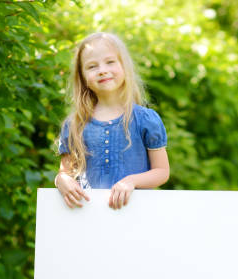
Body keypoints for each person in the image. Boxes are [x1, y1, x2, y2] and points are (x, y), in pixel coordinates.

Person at [55, 32, 170, 209]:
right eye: (92, 66)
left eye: (110, 62)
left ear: (124, 66)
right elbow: (66, 173)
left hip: (137, 215)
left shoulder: (145, 119)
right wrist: (61, 180)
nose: (102, 70)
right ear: (83, 77)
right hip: (88, 217)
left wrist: (131, 181)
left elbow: (162, 172)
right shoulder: (75, 125)